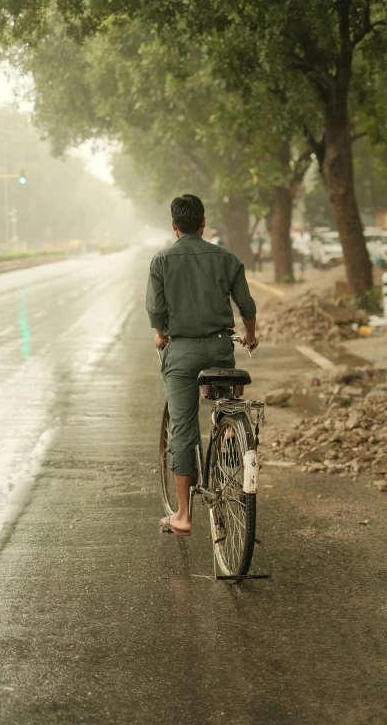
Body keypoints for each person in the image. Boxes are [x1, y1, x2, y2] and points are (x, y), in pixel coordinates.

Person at [146, 194, 258, 536]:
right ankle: (228, 450)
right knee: (226, 406)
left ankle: (183, 514)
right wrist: (250, 337)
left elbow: (156, 312)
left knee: (182, 427)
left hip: (181, 355)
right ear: (204, 223)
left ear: (175, 226)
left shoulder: (161, 260)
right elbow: (246, 306)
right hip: (220, 350)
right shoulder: (226, 257)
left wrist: (160, 335)